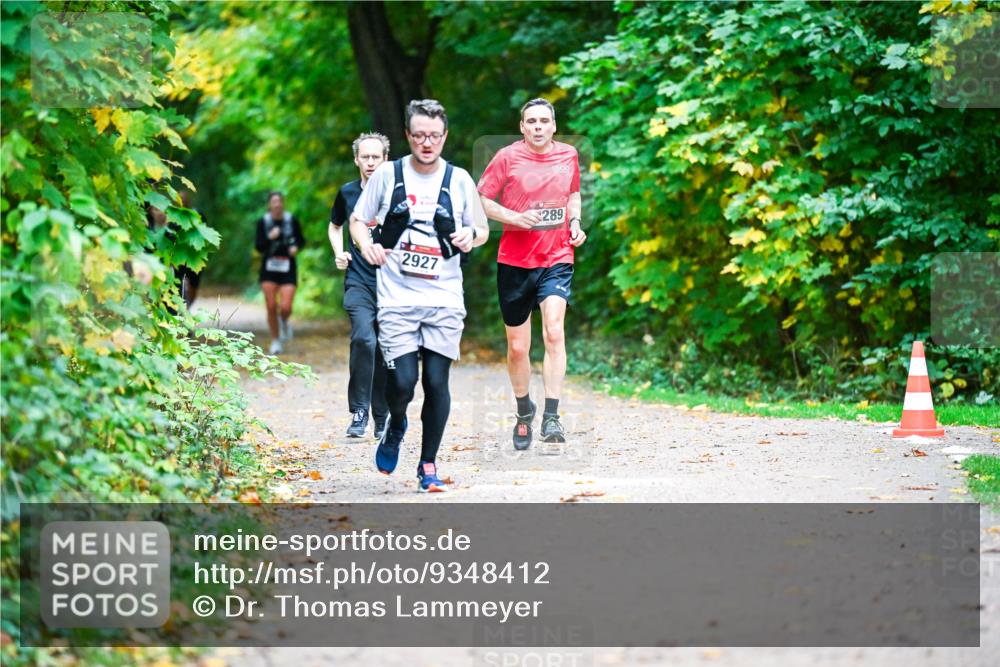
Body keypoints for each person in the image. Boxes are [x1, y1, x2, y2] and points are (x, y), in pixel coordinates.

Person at [350, 99, 489, 493]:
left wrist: (470, 237)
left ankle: (428, 465)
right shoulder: (388, 176)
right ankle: (395, 425)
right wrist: (366, 247)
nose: (427, 143)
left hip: (444, 298)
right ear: (408, 136)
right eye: (419, 135)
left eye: (434, 135)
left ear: (445, 136)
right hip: (397, 299)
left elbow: (480, 230)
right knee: (403, 384)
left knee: (437, 381)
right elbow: (359, 221)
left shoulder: (459, 179)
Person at [477, 98, 586, 451]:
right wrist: (513, 218)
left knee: (554, 332)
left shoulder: (568, 155)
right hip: (515, 261)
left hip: (557, 255)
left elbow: (573, 194)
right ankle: (524, 411)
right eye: (531, 121)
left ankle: (552, 415)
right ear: (522, 127)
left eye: (544, 121)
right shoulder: (507, 157)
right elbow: (481, 199)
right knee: (517, 347)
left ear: (554, 125)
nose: (538, 126)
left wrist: (575, 223)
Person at [329, 132, 392, 440]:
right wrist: (339, 252)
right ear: (356, 159)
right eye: (364, 157)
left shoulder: (397, 194)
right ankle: (359, 412)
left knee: (384, 349)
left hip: (393, 285)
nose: (370, 162)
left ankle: (382, 414)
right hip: (358, 280)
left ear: (385, 160)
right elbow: (335, 225)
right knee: (364, 339)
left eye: (375, 157)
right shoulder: (347, 192)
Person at [255, 191, 305, 355]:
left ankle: (283, 320)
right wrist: (270, 237)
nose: (277, 204)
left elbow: (301, 240)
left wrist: (296, 247)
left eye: (279, 201)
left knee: (286, 306)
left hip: (287, 267)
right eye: (274, 201)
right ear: (269, 204)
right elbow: (259, 246)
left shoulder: (291, 220)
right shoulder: (264, 221)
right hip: (269, 268)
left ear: (282, 203)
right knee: (270, 306)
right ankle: (276, 341)